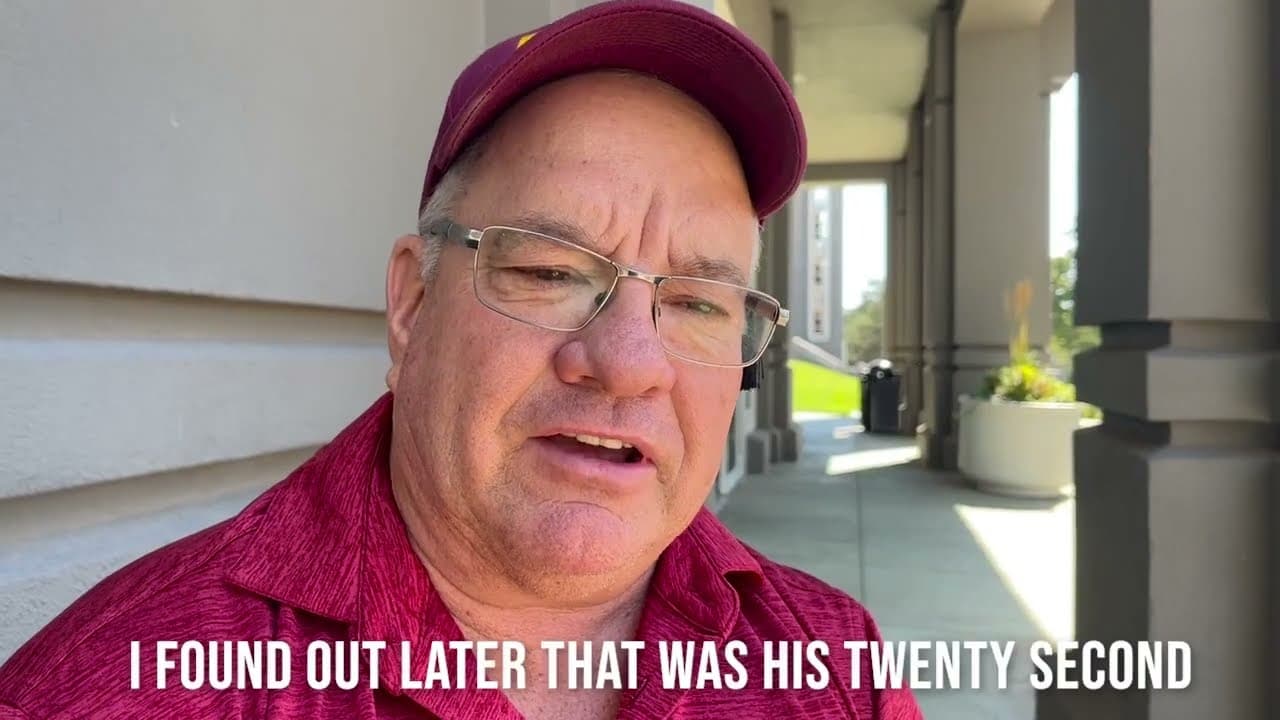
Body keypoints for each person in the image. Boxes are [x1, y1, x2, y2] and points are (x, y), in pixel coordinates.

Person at [0, 1, 923, 718]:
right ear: (411, 304)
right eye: (551, 271)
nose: (629, 362)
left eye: (696, 303)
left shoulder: (837, 671)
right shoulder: (123, 688)